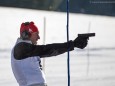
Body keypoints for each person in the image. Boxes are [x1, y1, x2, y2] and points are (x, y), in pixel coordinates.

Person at [11, 21, 88, 86]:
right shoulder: (21, 48)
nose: (39, 37)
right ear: (27, 34)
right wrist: (72, 44)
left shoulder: (27, 48)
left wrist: (73, 45)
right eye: (36, 34)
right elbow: (48, 50)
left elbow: (51, 51)